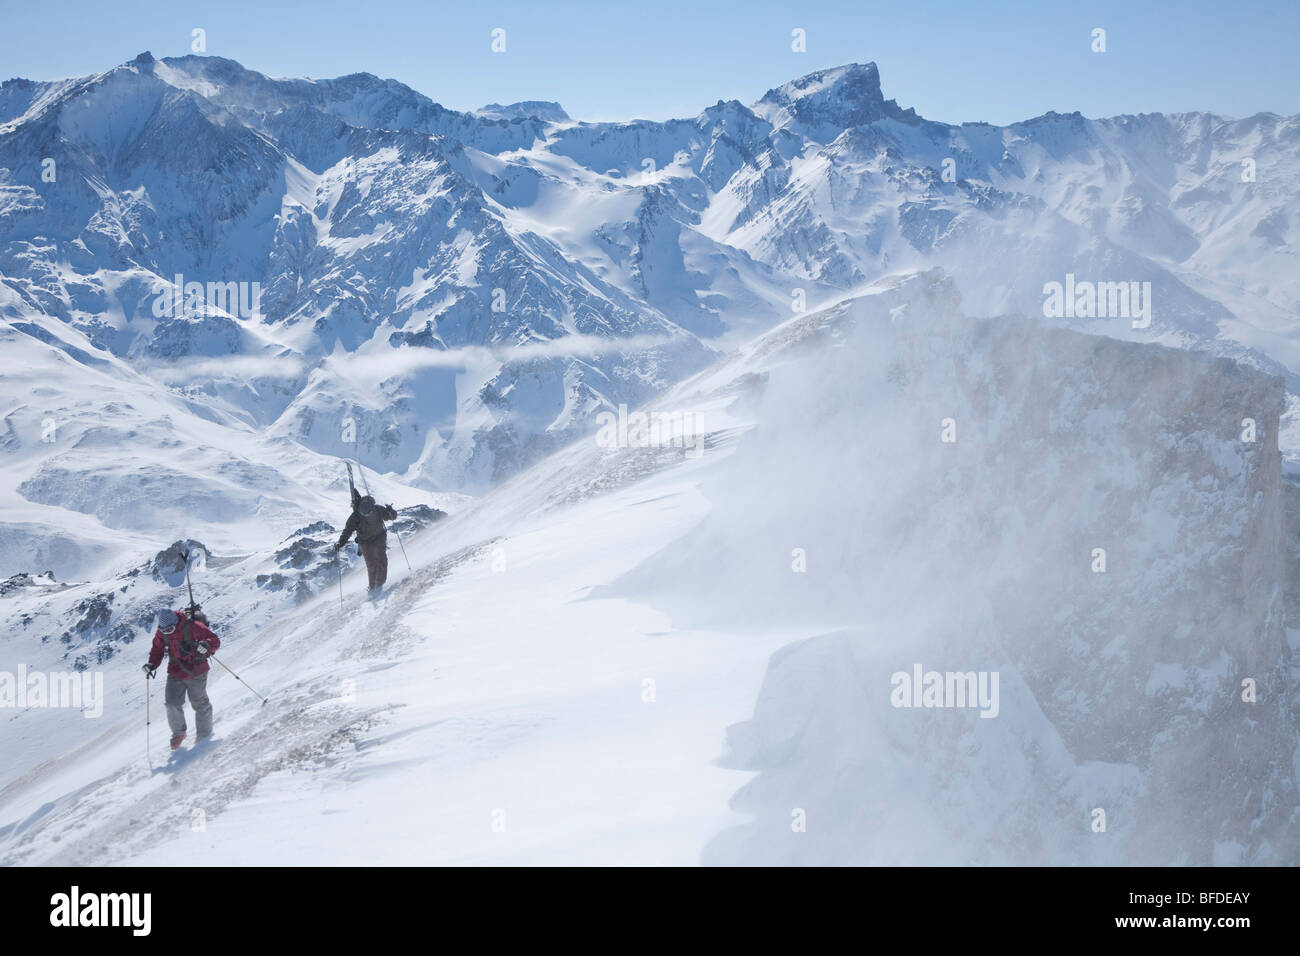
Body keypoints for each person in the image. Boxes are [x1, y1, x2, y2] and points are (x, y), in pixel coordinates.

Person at [142, 608, 220, 750]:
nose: (167, 632)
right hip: (176, 670)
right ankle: (179, 733)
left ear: (176, 622)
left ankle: (204, 734)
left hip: (196, 669)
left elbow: (214, 640)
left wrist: (206, 645)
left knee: (199, 703)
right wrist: (151, 665)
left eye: (170, 629)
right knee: (171, 703)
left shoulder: (193, 627)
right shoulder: (163, 631)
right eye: (164, 630)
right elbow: (157, 649)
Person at [335, 492, 399, 592]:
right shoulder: (355, 517)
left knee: (381, 560)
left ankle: (379, 585)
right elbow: (347, 531)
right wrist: (341, 542)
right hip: (365, 542)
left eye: (369, 513)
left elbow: (392, 517)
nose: (367, 515)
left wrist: (391, 511)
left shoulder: (378, 509)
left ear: (372, 508)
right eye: (364, 514)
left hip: (379, 538)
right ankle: (373, 587)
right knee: (371, 564)